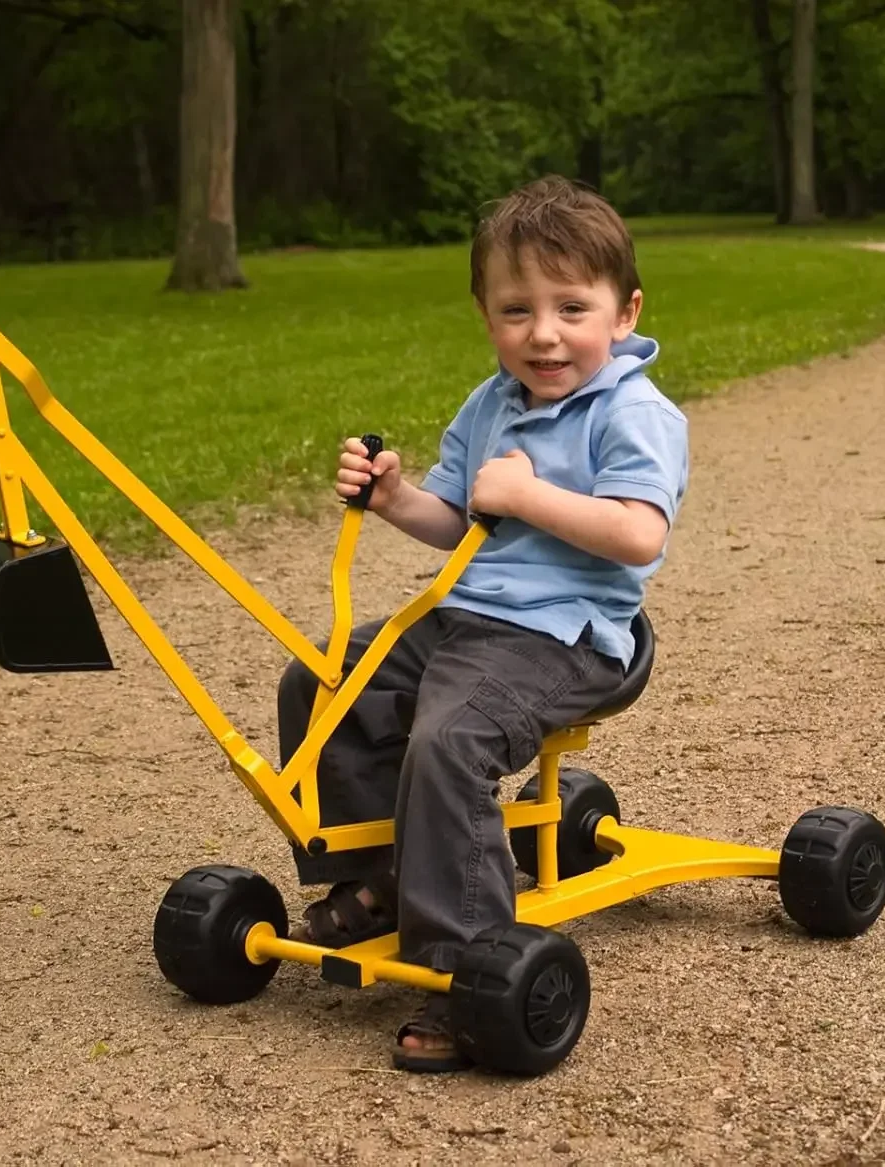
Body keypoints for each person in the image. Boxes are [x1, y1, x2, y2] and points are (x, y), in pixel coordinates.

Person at [275, 175, 689, 1072]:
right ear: (486, 315)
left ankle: (464, 968)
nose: (544, 333)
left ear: (624, 313)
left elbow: (638, 534)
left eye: (571, 307)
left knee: (449, 739)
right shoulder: (492, 401)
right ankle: (382, 878)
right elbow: (458, 522)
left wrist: (531, 495)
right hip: (465, 619)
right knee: (321, 677)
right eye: (516, 310)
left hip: (565, 638)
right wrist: (395, 497)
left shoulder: (635, 413)